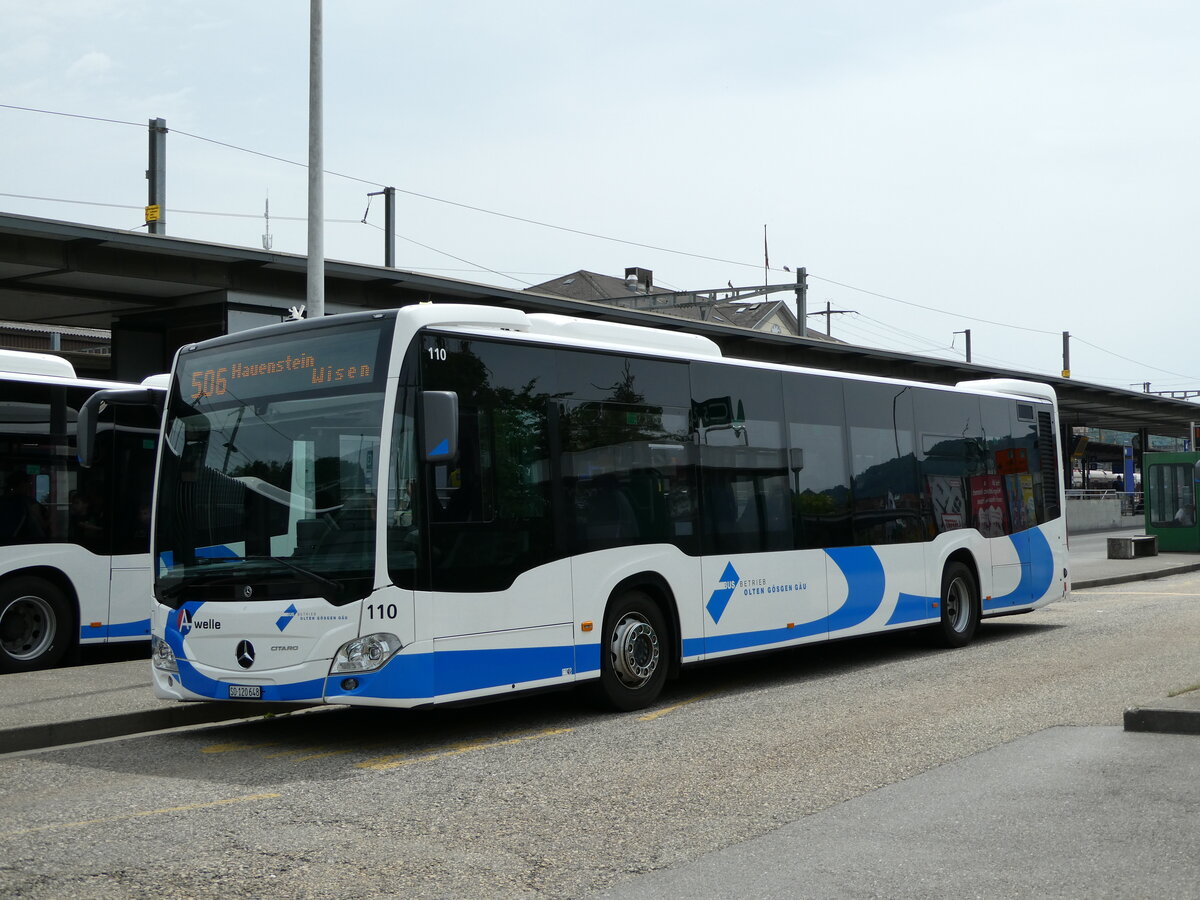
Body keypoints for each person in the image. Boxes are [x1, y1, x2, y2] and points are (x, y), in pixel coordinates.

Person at [0, 472, 48, 542]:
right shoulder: (29, 502)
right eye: (28, 483)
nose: (30, 485)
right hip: (28, 540)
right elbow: (42, 523)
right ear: (22, 484)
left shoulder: (2, 501)